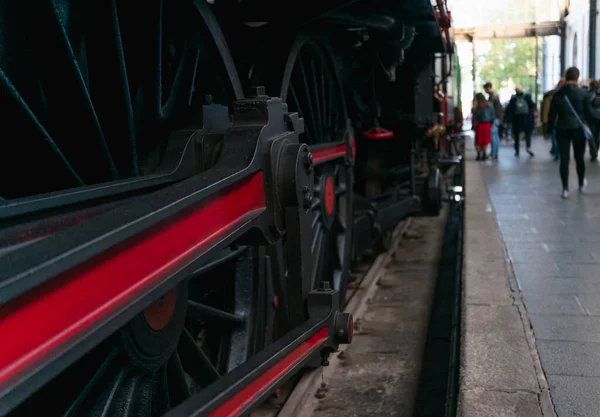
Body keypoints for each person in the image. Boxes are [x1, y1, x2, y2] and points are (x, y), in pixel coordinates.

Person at [546, 67, 598, 199]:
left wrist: (549, 130)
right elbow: (589, 113)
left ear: (566, 76)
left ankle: (565, 188)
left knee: (564, 159)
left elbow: (552, 114)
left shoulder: (558, 94)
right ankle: (580, 183)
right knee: (579, 157)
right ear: (577, 77)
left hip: (562, 128)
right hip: (578, 129)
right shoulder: (583, 93)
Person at [507, 85, 537, 157]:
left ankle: (517, 150)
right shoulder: (527, 97)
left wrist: (509, 120)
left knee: (517, 135)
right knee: (528, 134)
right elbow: (532, 105)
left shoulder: (513, 98)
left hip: (517, 119)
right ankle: (528, 147)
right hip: (527, 118)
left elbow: (510, 110)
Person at [541, 78, 566, 161]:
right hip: (564, 121)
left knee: (555, 138)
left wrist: (545, 121)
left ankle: (557, 153)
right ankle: (559, 152)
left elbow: (546, 110)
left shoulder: (551, 95)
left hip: (555, 120)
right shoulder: (568, 94)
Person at [483, 82, 504, 159]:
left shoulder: (493, 96)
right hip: (496, 118)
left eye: (485, 89)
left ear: (488, 87)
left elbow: (493, 109)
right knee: (495, 136)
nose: (485, 91)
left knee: (493, 137)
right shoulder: (494, 96)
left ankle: (494, 154)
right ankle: (493, 153)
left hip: (494, 119)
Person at [472, 93, 494, 160]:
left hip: (479, 125)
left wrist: (474, 107)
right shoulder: (489, 104)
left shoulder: (478, 106)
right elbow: (493, 115)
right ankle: (484, 154)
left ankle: (478, 155)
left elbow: (475, 114)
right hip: (487, 124)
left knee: (478, 140)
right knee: (485, 140)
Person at [588, 80, 600, 161]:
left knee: (592, 135)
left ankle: (593, 153)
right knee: (598, 135)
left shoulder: (589, 94)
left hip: (592, 117)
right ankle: (596, 150)